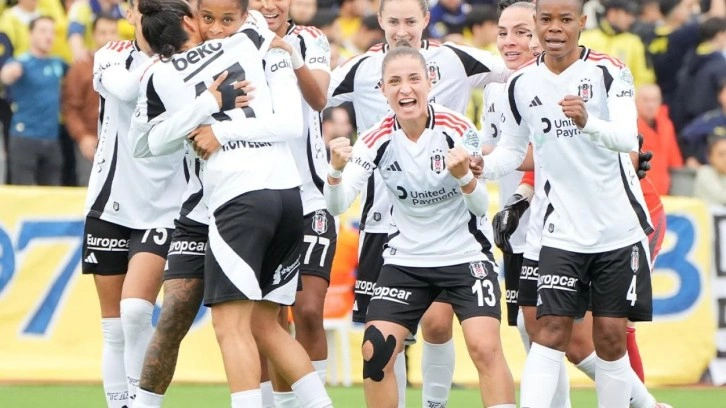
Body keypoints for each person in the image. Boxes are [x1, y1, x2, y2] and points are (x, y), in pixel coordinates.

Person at [130, 0, 332, 406]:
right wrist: (208, 103)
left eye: (222, 19)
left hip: (238, 199)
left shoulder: (158, 75)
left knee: (230, 326)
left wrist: (213, 120)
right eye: (208, 18)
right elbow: (292, 121)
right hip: (288, 195)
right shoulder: (251, 40)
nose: (217, 27)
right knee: (266, 324)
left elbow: (144, 145)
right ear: (191, 19)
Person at [327, 0, 509, 405]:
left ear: (430, 82)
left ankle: (434, 403)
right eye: (394, 82)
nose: (405, 89)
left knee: (478, 343)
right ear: (381, 89)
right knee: (376, 349)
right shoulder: (373, 137)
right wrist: (335, 171)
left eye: (413, 80)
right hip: (404, 252)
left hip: (462, 251)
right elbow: (338, 204)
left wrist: (465, 175)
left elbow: (480, 206)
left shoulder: (459, 128)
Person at [480, 0, 654, 406]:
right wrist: (480, 166)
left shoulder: (609, 71)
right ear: (537, 23)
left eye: (565, 19)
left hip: (617, 227)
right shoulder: (521, 83)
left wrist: (587, 122)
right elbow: (512, 150)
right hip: (560, 229)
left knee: (610, 339)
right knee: (548, 332)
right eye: (546, 20)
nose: (554, 28)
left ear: (582, 22)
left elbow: (627, 138)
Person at [81, 0, 186, 405]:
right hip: (110, 203)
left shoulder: (188, 61)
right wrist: (158, 59)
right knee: (113, 328)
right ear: (129, 13)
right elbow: (125, 90)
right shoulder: (111, 54)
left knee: (136, 313)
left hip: (164, 206)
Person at [250, 0, 337, 402]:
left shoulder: (310, 38)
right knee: (264, 317)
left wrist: (290, 56)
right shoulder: (235, 43)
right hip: (258, 197)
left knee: (308, 310)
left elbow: (319, 99)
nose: (269, 4)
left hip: (310, 199)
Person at [0, 16, 66, 186]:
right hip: (25, 137)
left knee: (53, 193)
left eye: (51, 32)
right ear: (31, 34)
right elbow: (6, 75)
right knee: (24, 192)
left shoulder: (58, 63)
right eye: (43, 31)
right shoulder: (21, 62)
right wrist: (8, 73)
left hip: (52, 138)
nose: (48, 36)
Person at [63, 14, 119, 186]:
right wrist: (82, 137)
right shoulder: (80, 68)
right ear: (93, 35)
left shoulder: (127, 66)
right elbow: (70, 108)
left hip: (120, 143)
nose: (108, 37)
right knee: (88, 190)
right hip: (91, 142)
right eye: (103, 33)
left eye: (112, 32)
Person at [694, 134, 726, 205]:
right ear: (710, 157)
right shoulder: (705, 172)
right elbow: (722, 197)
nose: (725, 159)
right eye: (721, 154)